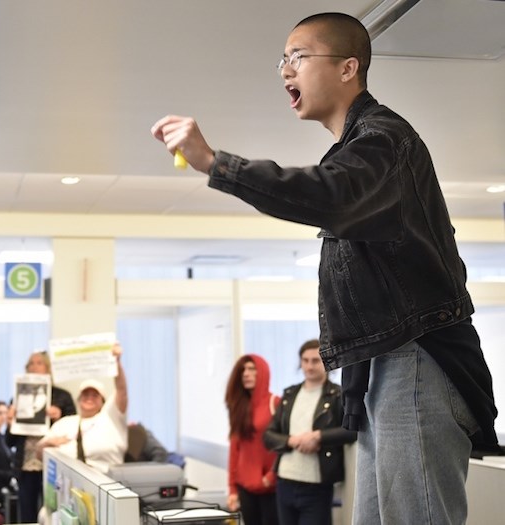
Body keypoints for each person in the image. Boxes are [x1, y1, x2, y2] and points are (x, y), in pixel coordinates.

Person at [151, 12, 498, 524]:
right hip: (385, 363)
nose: (286, 70)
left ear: (347, 67)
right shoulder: (360, 149)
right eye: (282, 61)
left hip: (418, 360)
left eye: (298, 56)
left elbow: (329, 195)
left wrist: (215, 163)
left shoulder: (384, 140)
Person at [263, 339, 357, 525]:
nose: (309, 366)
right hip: (285, 481)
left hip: (317, 485)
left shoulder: (338, 395)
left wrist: (318, 437)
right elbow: (268, 436)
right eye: (305, 360)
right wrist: (292, 440)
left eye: (315, 360)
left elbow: (352, 430)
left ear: (326, 362)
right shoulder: (289, 395)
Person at [5, 350, 76, 523]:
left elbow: (75, 431)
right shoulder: (17, 397)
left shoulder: (62, 396)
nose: (34, 367)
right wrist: (9, 423)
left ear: (48, 368)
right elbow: (9, 442)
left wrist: (58, 418)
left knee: (53, 512)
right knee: (27, 513)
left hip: (52, 465)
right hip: (26, 465)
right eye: (30, 363)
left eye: (39, 363)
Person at [37, 342, 128, 474]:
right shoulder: (64, 423)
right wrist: (47, 445)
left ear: (103, 401)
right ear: (78, 400)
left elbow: (122, 390)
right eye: (85, 394)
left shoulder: (110, 418)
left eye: (94, 395)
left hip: (106, 483)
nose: (89, 398)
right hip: (69, 486)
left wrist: (116, 362)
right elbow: (39, 454)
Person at [224, 354, 280, 525]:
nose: (246, 374)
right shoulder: (239, 407)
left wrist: (271, 476)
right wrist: (232, 489)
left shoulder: (275, 403)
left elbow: (283, 445)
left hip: (271, 487)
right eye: (243, 370)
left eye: (252, 369)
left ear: (262, 372)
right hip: (245, 487)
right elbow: (235, 449)